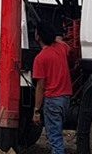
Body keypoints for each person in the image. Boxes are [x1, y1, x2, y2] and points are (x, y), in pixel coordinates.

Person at [32, 21, 73, 154]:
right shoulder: (61, 48)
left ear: (38, 37)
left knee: (55, 139)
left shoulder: (40, 59)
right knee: (58, 134)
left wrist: (36, 111)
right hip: (66, 99)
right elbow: (66, 46)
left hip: (52, 101)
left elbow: (40, 87)